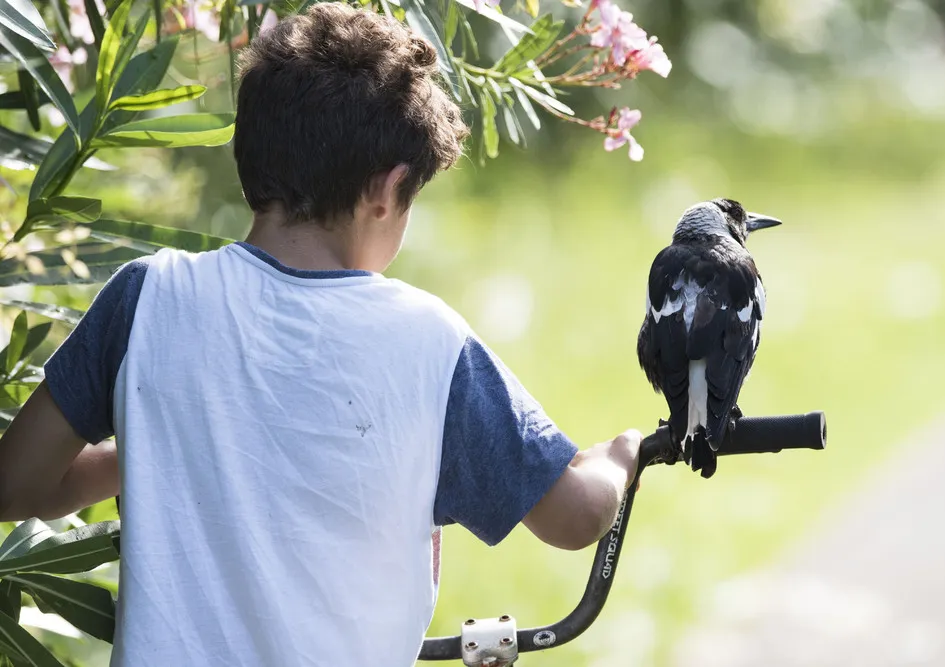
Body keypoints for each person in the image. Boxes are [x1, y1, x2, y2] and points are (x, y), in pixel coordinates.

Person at [0, 4, 642, 665]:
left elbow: (15, 485)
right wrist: (619, 458)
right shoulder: (429, 347)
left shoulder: (148, 298)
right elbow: (574, 517)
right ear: (388, 192)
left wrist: (154, 451)